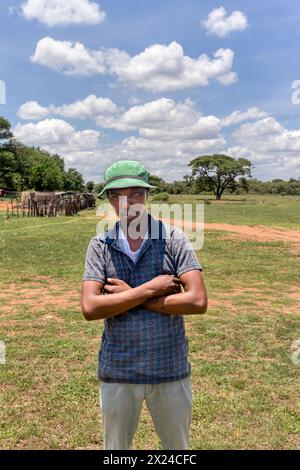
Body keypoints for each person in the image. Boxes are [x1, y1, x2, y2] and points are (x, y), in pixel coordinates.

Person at [81, 160, 208, 450]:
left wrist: (125, 298)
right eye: (119, 195)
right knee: (116, 451)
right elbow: (90, 307)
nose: (129, 202)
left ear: (147, 195)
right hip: (119, 370)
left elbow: (197, 300)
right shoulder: (100, 245)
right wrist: (151, 289)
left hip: (169, 367)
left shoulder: (174, 239)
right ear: (110, 200)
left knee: (178, 449)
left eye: (137, 192)